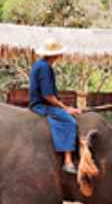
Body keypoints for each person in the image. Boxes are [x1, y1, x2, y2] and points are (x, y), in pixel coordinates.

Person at [29, 38, 81, 174]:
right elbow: (48, 96)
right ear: (57, 55)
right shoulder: (45, 68)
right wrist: (65, 108)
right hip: (41, 105)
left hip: (41, 103)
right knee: (69, 121)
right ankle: (68, 161)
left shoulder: (39, 64)